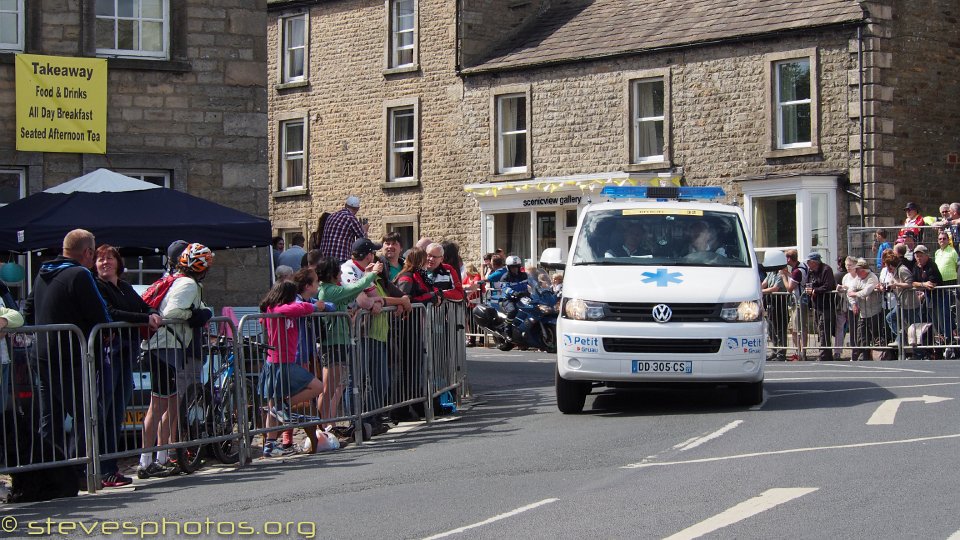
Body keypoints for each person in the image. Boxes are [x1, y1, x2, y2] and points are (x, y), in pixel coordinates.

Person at [22, 229, 112, 496]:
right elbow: (100, 315)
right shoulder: (80, 274)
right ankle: (80, 472)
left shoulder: (41, 272)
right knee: (86, 415)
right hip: (72, 356)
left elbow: (27, 310)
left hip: (41, 355)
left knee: (50, 419)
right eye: (93, 252)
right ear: (87, 253)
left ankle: (49, 475)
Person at [138, 243, 214, 479]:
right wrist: (195, 315)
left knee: (169, 404)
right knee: (158, 405)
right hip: (164, 347)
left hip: (167, 348)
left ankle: (159, 458)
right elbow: (171, 314)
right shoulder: (188, 284)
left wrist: (203, 311)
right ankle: (146, 460)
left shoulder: (179, 280)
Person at [93, 245, 162, 488]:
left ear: (118, 263)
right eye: (100, 259)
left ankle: (111, 468)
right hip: (108, 355)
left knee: (117, 412)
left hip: (126, 353)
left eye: (109, 258)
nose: (105, 263)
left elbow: (143, 306)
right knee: (105, 412)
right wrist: (145, 318)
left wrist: (152, 312)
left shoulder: (123, 286)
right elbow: (111, 313)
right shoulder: (96, 286)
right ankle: (102, 469)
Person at [257, 280, 324, 458]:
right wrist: (313, 306)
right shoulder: (277, 309)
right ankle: (283, 407)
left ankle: (269, 447)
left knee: (273, 407)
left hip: (281, 362)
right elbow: (296, 309)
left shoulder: (280, 308)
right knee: (317, 386)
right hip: (280, 362)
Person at [315, 256, 381, 429]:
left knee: (334, 386)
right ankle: (321, 427)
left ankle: (329, 425)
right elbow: (354, 288)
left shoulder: (332, 289)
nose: (340, 274)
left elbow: (349, 294)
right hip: (333, 343)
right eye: (337, 271)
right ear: (332, 274)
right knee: (328, 389)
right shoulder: (329, 290)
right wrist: (372, 275)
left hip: (339, 341)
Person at [847, 258, 884, 360]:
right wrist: (854, 303)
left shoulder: (872, 278)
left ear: (863, 270)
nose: (856, 272)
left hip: (874, 311)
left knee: (876, 334)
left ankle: (879, 356)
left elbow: (866, 292)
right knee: (861, 335)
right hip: (862, 312)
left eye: (858, 270)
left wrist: (855, 293)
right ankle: (864, 355)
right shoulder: (857, 279)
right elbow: (849, 291)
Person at [912, 245, 945, 358]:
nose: (919, 258)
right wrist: (922, 285)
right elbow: (912, 282)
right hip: (925, 300)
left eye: (921, 256)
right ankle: (928, 350)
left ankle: (942, 350)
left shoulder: (932, 266)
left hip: (936, 298)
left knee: (938, 324)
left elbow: (932, 284)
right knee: (925, 324)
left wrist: (923, 286)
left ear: (926, 255)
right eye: (917, 256)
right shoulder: (916, 266)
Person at [803, 253, 837, 362]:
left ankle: (823, 354)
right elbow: (808, 284)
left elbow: (828, 285)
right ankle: (826, 354)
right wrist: (809, 290)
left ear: (815, 262)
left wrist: (815, 290)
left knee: (824, 329)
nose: (808, 264)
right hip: (816, 304)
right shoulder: (811, 271)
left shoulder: (827, 270)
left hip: (826, 304)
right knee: (820, 328)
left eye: (809, 262)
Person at [320, 196, 368, 262]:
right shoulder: (351, 218)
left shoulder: (331, 216)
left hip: (325, 259)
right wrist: (365, 230)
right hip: (340, 258)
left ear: (345, 205)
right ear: (357, 208)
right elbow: (363, 241)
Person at [780, 249, 808, 361]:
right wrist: (787, 273)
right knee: (796, 328)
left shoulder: (797, 271)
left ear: (788, 259)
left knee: (798, 329)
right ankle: (800, 351)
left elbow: (789, 288)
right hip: (799, 300)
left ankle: (801, 352)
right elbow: (797, 278)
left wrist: (783, 276)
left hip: (798, 301)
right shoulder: (801, 266)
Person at [761, 256, 787, 361]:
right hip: (770, 304)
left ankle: (781, 353)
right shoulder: (771, 273)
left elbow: (775, 288)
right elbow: (764, 284)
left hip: (779, 304)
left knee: (780, 329)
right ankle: (774, 350)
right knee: (771, 329)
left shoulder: (781, 273)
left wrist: (761, 291)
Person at [836, 256, 860, 360]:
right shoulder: (846, 277)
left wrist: (849, 289)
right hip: (849, 306)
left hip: (861, 306)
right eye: (846, 265)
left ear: (855, 265)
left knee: (860, 330)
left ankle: (861, 352)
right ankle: (854, 353)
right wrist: (840, 288)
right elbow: (844, 292)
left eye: (850, 265)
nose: (848, 267)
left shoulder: (859, 276)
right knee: (853, 331)